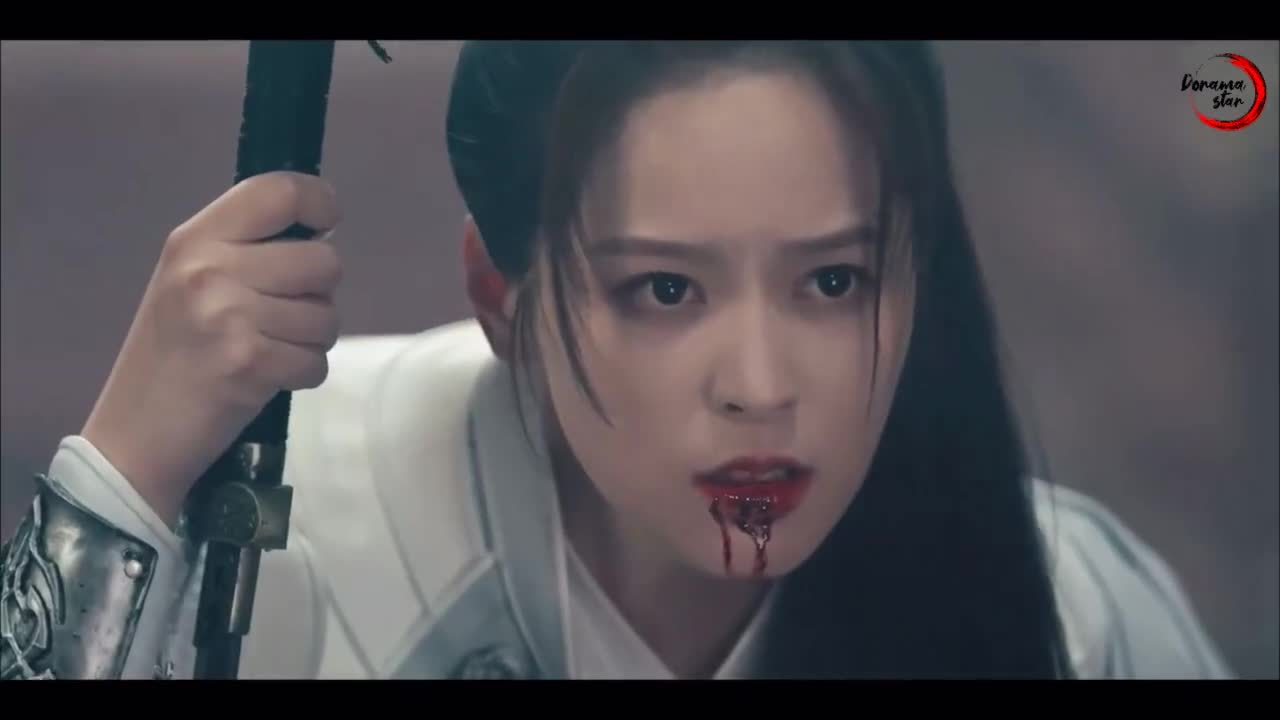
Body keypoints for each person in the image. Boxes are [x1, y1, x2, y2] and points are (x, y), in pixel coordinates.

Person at [1, 40, 1233, 681]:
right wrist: (121, 474)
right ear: (498, 295)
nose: (758, 383)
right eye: (664, 290)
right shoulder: (295, 542)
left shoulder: (1071, 615)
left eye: (832, 281)